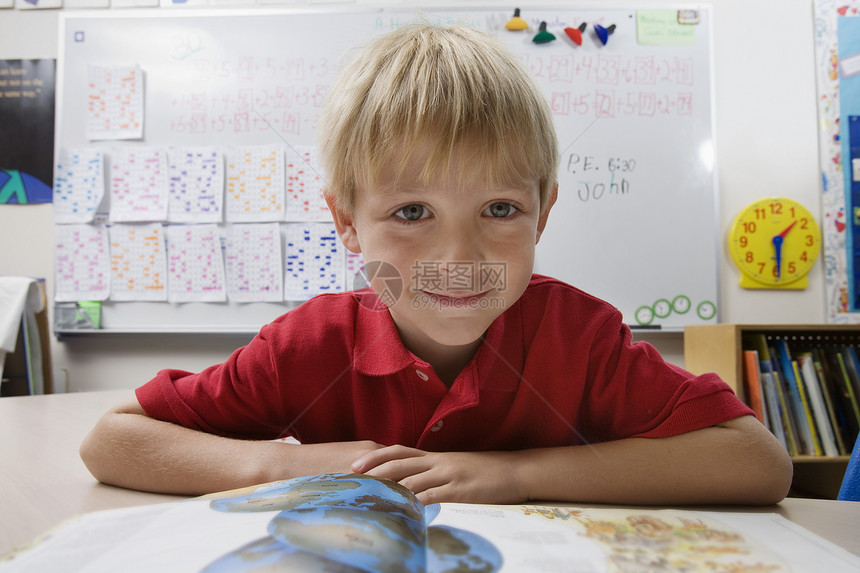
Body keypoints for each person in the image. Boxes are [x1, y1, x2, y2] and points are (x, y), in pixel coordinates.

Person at [80, 23, 792, 506]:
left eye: (499, 211)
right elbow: (111, 441)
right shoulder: (310, 343)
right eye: (412, 213)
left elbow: (758, 463)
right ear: (346, 222)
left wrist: (515, 474)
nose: (459, 258)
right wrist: (290, 462)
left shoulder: (580, 337)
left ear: (542, 212)